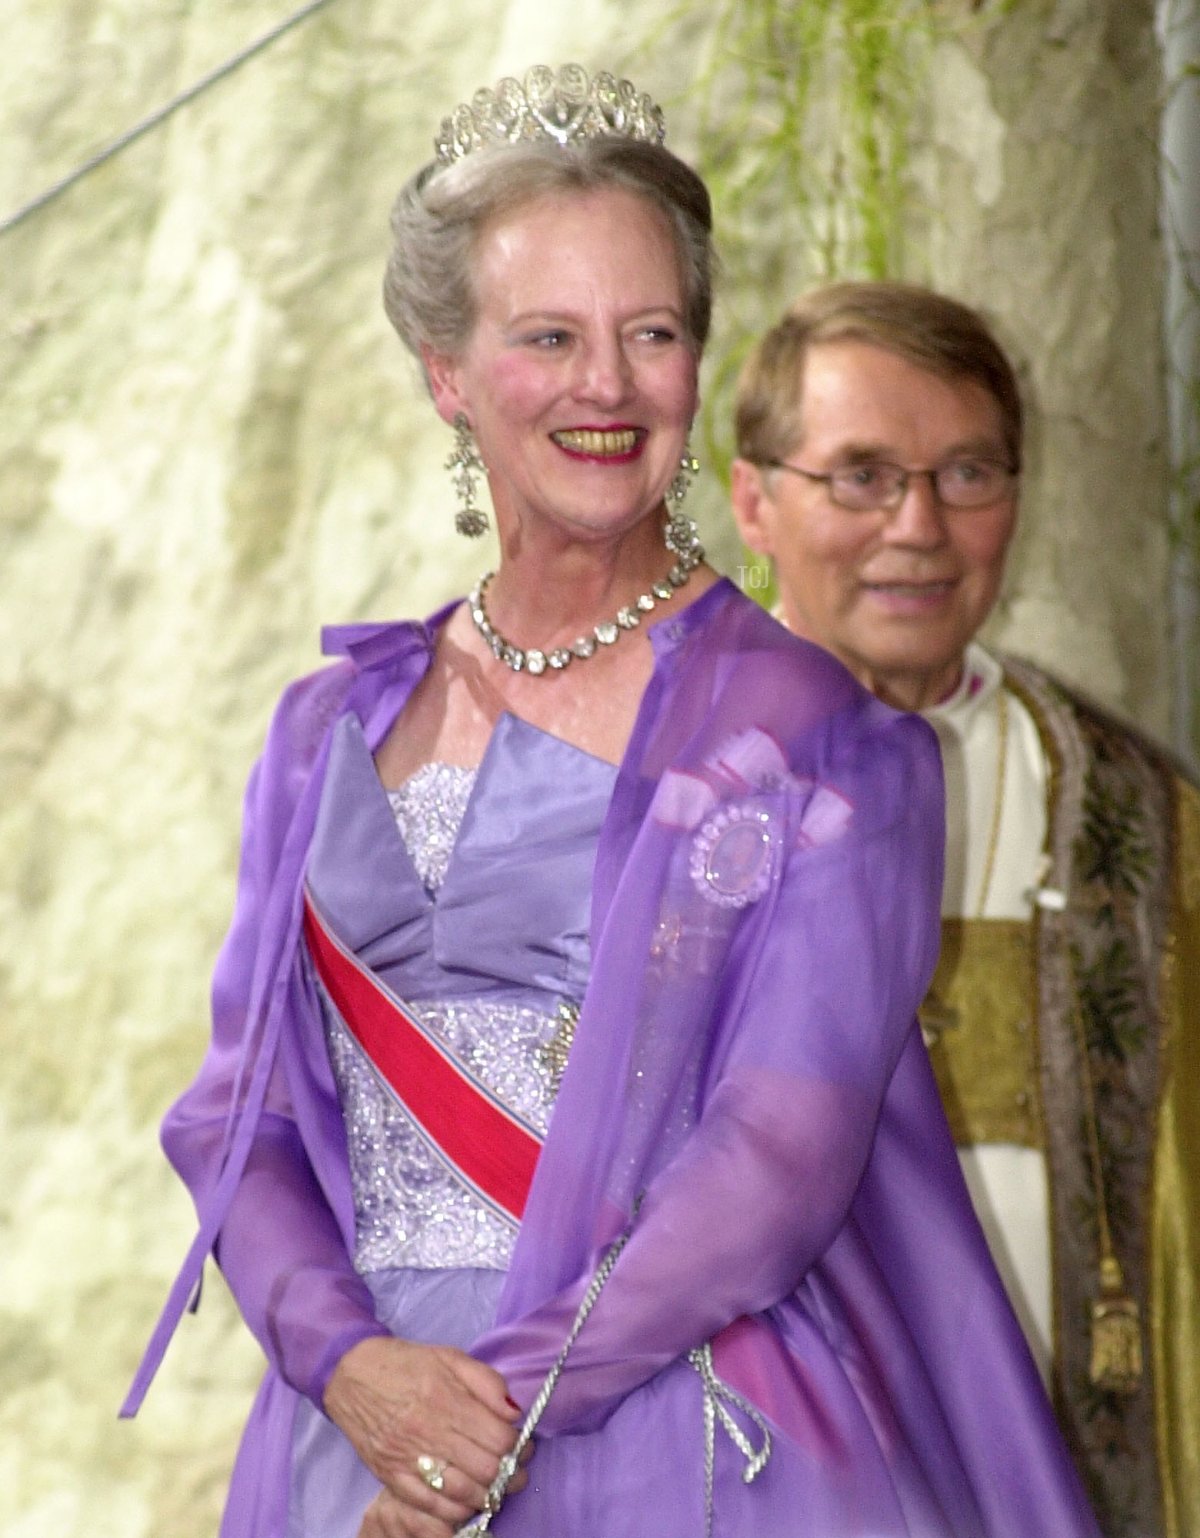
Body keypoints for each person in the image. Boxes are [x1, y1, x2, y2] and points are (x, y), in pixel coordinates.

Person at [123, 71, 1101, 1538]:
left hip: (677, 1434)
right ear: (448, 371)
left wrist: (479, 1429)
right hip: (359, 1446)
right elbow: (238, 1116)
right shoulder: (322, 728)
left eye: (652, 333)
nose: (608, 384)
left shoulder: (818, 738)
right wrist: (357, 1374)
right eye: (550, 337)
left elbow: (775, 1157)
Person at [730, 279, 1200, 1538]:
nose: (919, 525)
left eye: (969, 473)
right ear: (752, 500)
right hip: (758, 1465)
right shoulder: (658, 788)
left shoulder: (1147, 820)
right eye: (862, 474)